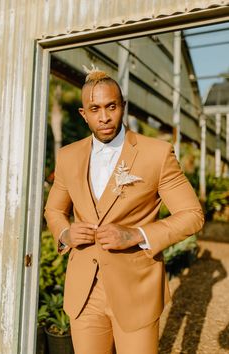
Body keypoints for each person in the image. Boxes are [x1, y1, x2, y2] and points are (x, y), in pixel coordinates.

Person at [44, 66, 204, 354]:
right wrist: (66, 233)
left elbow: (192, 214)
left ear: (123, 107)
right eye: (95, 109)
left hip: (136, 291)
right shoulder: (67, 156)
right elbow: (54, 210)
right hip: (84, 293)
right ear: (83, 113)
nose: (104, 117)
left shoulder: (156, 153)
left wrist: (136, 234)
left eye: (111, 107)